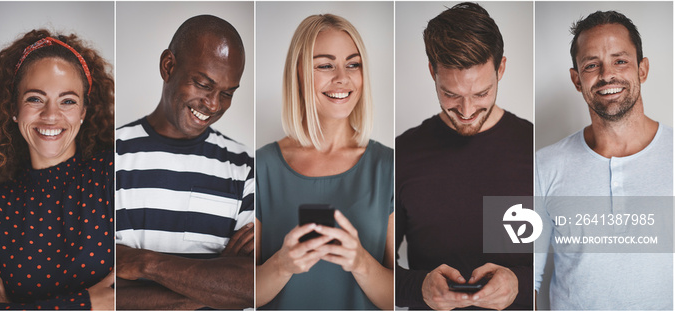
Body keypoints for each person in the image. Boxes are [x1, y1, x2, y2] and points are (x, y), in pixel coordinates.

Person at [395, 3, 533, 310]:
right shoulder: (401, 154)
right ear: (432, 71)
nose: (467, 112)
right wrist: (419, 289)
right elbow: (374, 270)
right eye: (451, 95)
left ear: (501, 69)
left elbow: (568, 264)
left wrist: (519, 285)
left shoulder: (536, 150)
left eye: (481, 94)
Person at [534, 10, 673, 310]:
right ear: (576, 79)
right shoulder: (543, 167)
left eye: (620, 61)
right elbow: (527, 280)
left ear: (642, 69)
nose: (607, 74)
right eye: (591, 65)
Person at [114, 15, 254, 310]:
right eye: (204, 84)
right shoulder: (106, 157)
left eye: (227, 93)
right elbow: (99, 290)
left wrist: (141, 263)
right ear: (168, 66)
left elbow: (250, 286)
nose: (214, 104)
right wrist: (214, 283)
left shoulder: (244, 167)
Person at [255, 14, 394, 310]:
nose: (342, 77)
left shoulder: (388, 167)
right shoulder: (261, 167)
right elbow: (241, 293)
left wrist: (361, 262)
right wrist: (281, 265)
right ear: (299, 73)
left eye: (353, 64)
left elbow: (398, 298)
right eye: (325, 65)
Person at [0, 29, 115, 310]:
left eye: (68, 101)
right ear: (13, 108)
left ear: (84, 112)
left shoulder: (112, 174)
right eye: (35, 98)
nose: (51, 115)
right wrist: (89, 303)